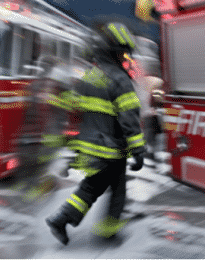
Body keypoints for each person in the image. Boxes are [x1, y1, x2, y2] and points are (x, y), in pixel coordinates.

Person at [45, 22, 146, 245]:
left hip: (89, 145)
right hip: (112, 148)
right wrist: (138, 150)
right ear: (114, 51)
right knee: (117, 189)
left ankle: (61, 219)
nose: (125, 58)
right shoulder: (120, 80)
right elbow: (129, 118)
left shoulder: (89, 76)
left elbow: (75, 109)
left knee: (92, 186)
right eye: (123, 52)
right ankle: (107, 231)